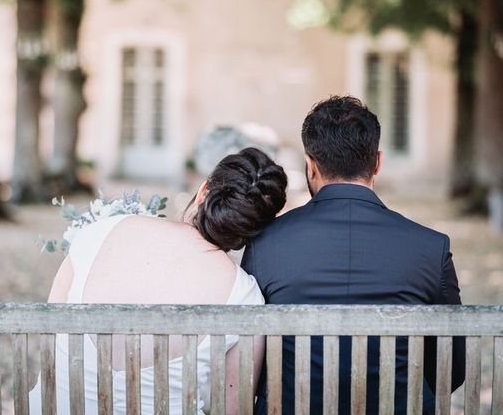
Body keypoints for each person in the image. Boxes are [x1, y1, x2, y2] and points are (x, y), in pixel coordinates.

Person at [241, 96, 466, 414]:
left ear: (311, 166)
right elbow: (451, 367)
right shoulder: (431, 246)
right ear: (377, 163)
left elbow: (251, 360)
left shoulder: (265, 243)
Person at [29, 147, 288, 414]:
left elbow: (50, 347)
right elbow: (234, 410)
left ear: (203, 191)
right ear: (253, 230)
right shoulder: (244, 297)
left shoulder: (99, 233)